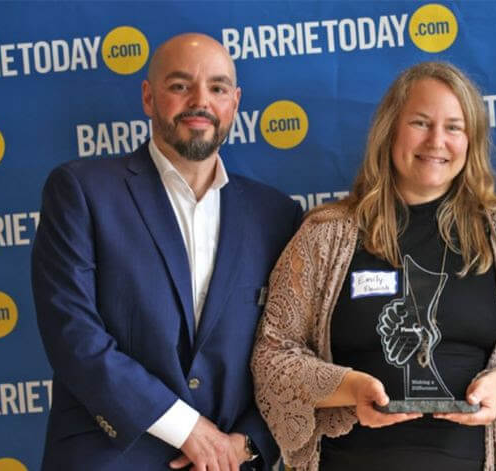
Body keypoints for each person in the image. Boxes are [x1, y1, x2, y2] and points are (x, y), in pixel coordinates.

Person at [251, 61, 496, 471]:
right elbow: (273, 355)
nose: (436, 141)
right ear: (390, 130)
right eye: (421, 123)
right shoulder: (326, 233)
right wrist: (348, 387)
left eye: (454, 127)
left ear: (472, 139)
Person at [31, 33, 301, 471]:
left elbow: (292, 351)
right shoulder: (81, 191)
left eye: (216, 89)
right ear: (148, 97)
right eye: (180, 86)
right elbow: (72, 333)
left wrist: (247, 444)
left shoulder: (276, 215)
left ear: (234, 102)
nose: (200, 101)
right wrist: (189, 430)